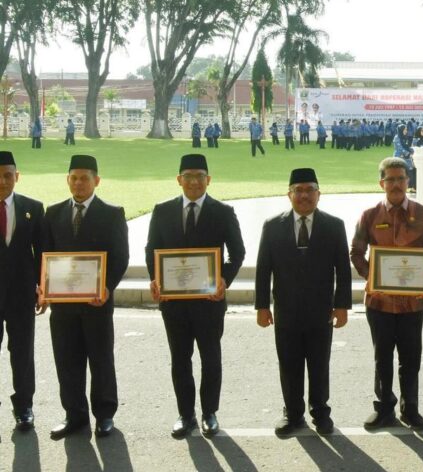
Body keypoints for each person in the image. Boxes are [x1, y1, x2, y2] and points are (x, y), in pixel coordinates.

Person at [146, 154, 246, 438]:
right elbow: (152, 249)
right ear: (179, 180)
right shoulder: (162, 210)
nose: (193, 181)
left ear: (208, 180)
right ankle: (185, 414)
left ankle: (209, 413)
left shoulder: (223, 212)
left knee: (211, 357)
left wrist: (223, 280)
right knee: (180, 358)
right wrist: (156, 279)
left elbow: (237, 253)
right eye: (187, 176)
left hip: (209, 302)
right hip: (173, 301)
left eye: (199, 176)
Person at [350, 157, 423, 431]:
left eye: (400, 178)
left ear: (408, 181)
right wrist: (373, 278)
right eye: (390, 179)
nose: (395, 184)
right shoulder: (369, 216)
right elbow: (356, 252)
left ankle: (410, 408)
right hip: (379, 301)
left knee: (410, 357)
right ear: (381, 183)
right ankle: (384, 408)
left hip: (413, 303)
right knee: (382, 357)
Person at [255, 168, 352, 436]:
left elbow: (343, 269)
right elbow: (264, 269)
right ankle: (293, 414)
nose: (304, 195)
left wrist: (342, 305)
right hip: (285, 311)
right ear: (289, 195)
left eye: (310, 190)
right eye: (298, 190)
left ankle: (321, 413)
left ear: (319, 194)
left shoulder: (334, 226)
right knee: (289, 365)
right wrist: (262, 306)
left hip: (321, 311)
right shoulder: (272, 226)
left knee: (320, 365)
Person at [41, 155, 129, 439]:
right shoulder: (52, 213)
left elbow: (120, 257)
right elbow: (45, 256)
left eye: (85, 178)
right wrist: (42, 287)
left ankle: (104, 415)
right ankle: (74, 415)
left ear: (97, 181)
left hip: (97, 302)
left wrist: (107, 287)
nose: (79, 183)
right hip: (63, 305)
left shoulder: (112, 213)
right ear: (68, 180)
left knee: (101, 359)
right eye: (74, 178)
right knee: (67, 360)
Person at [0, 151, 44, 433]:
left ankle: (24, 406)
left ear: (17, 176)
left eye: (7, 175)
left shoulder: (33, 207)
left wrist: (44, 288)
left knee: (22, 352)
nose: (2, 181)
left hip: (21, 295)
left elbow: (42, 253)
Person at [393, 125, 416, 193]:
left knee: (410, 171)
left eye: (406, 129)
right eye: (405, 129)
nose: (406, 131)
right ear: (401, 130)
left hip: (406, 158)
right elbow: (400, 148)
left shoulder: (403, 137)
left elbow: (406, 146)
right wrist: (408, 153)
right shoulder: (397, 138)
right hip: (399, 158)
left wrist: (412, 150)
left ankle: (411, 187)